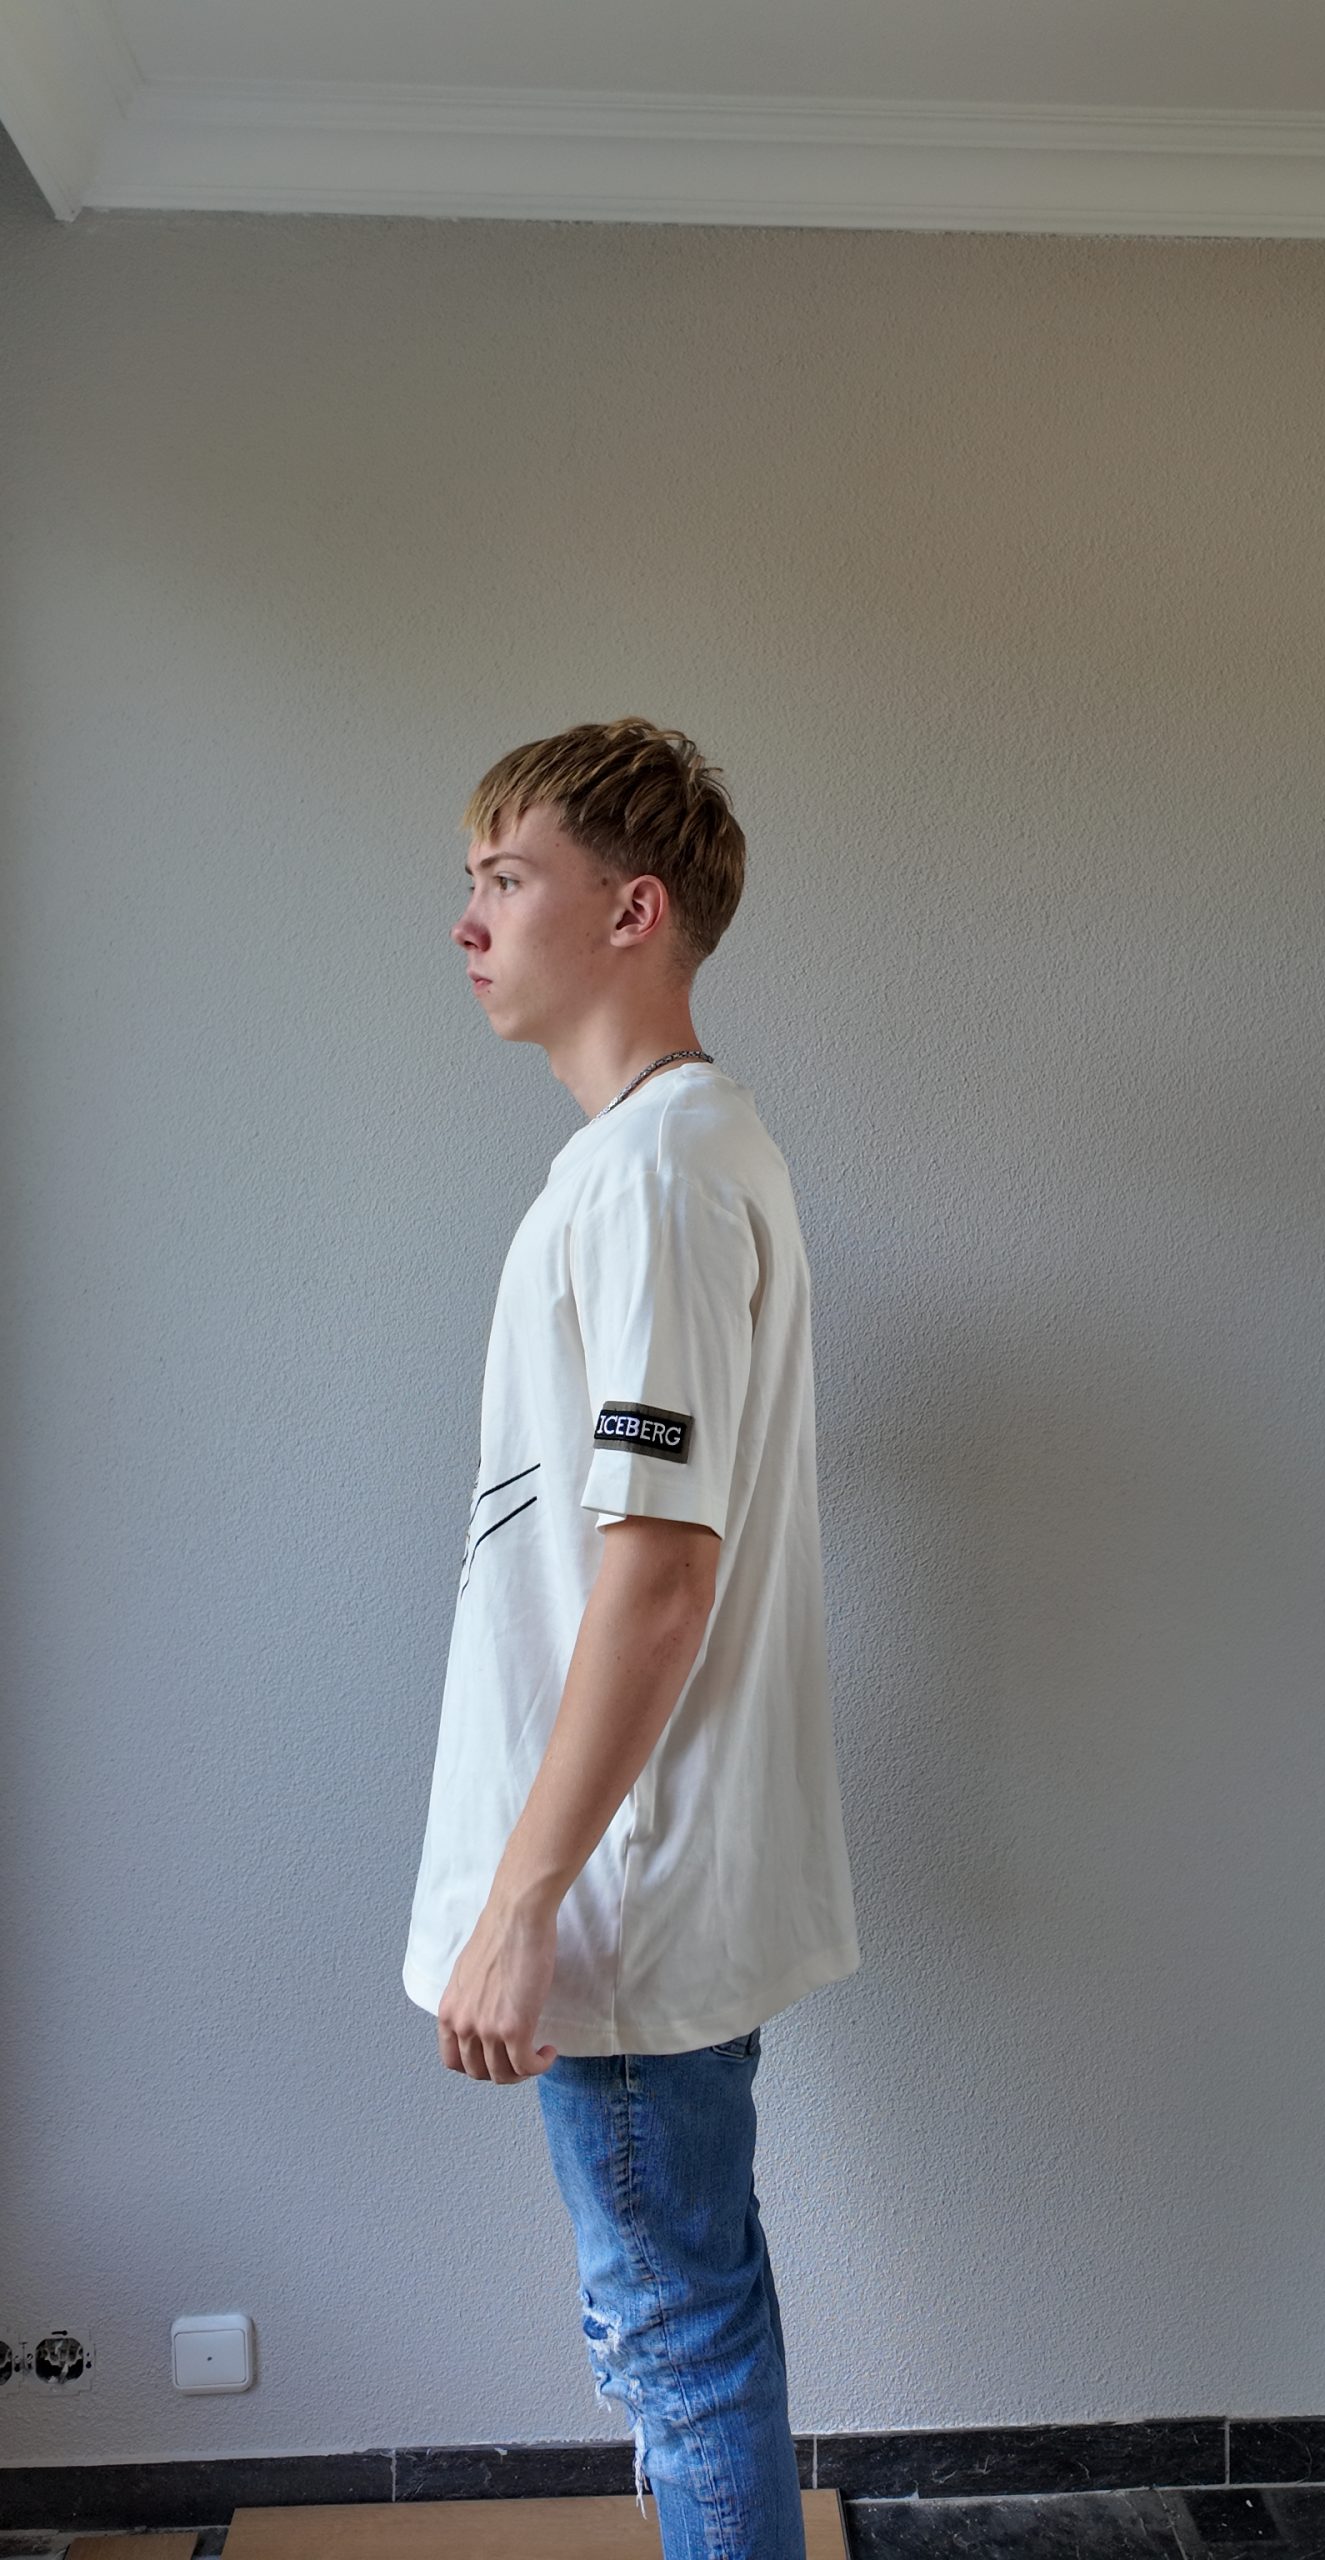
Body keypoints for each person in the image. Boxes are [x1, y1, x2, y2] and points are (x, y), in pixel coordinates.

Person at [402, 715, 861, 2559]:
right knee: (687, 2321)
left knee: (676, 2340)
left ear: (632, 910)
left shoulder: (659, 1173)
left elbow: (660, 1578)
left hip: (616, 1886)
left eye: (507, 879)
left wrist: (524, 1905)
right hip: (635, 1866)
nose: (469, 922)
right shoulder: (656, 1159)